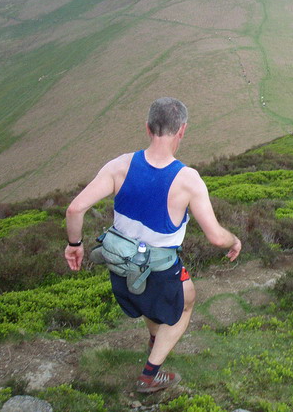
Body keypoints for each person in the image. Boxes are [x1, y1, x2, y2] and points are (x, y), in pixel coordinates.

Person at [64, 97, 241, 393]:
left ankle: (154, 339)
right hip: (158, 271)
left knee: (166, 298)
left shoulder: (119, 165)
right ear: (182, 131)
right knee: (185, 306)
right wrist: (234, 240)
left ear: (148, 128)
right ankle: (150, 375)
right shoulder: (188, 180)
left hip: (121, 268)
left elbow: (74, 210)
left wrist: (75, 244)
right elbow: (215, 237)